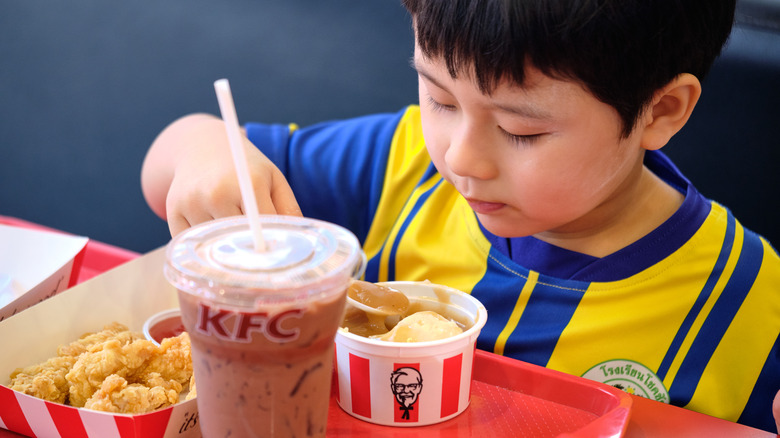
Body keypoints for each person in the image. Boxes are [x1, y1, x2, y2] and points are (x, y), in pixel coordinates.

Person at [141, 0, 780, 432]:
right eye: (440, 99)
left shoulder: (749, 302)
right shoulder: (402, 162)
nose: (462, 156)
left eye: (519, 130)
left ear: (661, 110)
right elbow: (173, 154)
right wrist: (207, 157)